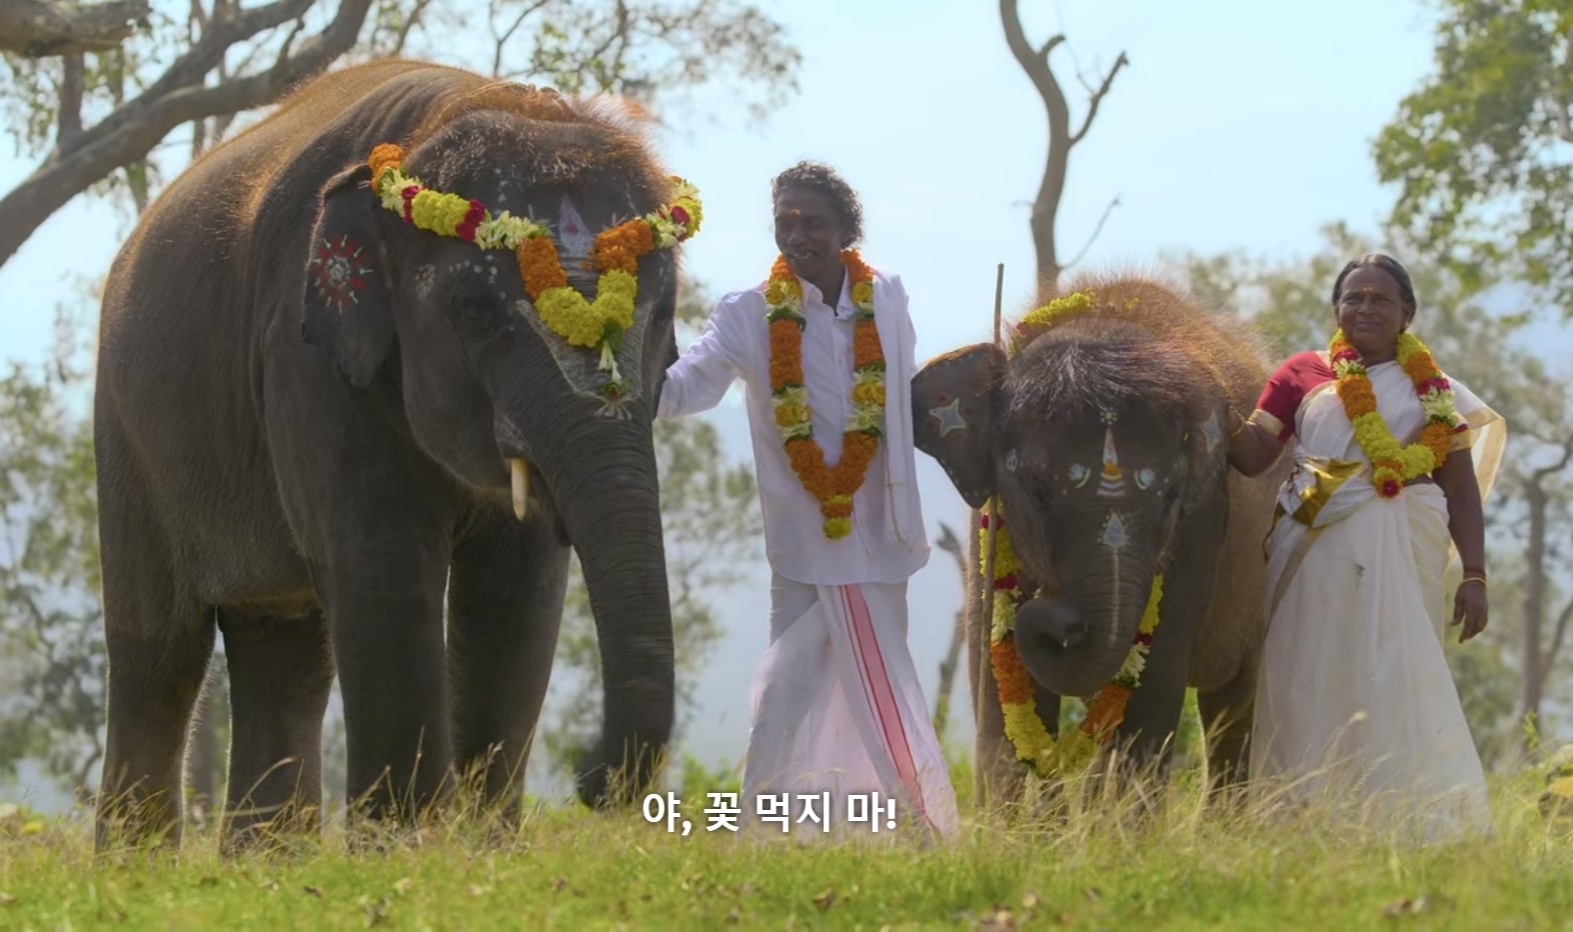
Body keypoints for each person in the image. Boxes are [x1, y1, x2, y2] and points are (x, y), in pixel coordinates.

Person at [657, 161, 959, 842]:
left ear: (846, 230)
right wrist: (623, 367)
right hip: (802, 541)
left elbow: (908, 392)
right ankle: (766, 835)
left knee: (881, 689)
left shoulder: (887, 299)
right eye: (785, 220)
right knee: (783, 694)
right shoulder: (747, 313)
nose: (797, 234)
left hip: (880, 535)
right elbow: (686, 389)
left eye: (812, 221)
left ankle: (910, 830)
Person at [1227, 253, 1506, 841]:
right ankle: (1297, 821)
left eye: (1380, 298)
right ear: (1335, 309)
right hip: (1310, 547)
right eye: (1354, 297)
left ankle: (1407, 823)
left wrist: (1475, 575)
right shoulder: (1302, 373)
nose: (1366, 307)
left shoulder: (1436, 393)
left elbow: (1458, 486)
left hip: (1402, 552)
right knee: (1303, 671)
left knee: (1393, 670)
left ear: (1407, 313)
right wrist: (1206, 411)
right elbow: (1252, 455)